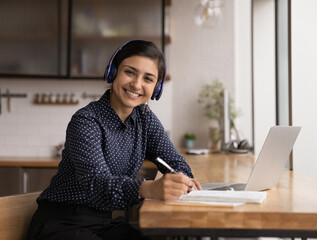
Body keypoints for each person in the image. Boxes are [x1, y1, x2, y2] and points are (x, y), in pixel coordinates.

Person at [27, 40, 201, 240]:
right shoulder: (86, 120)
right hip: (61, 224)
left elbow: (174, 161)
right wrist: (150, 188)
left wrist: (182, 179)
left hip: (103, 224)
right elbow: (96, 184)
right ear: (113, 72)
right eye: (129, 72)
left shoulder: (144, 117)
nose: (136, 84)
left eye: (148, 78)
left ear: (157, 88)